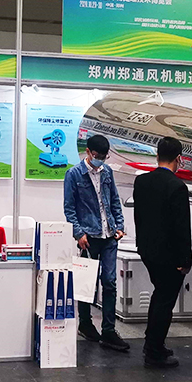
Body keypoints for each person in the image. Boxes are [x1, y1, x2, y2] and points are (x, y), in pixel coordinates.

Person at [63, 134, 130, 352]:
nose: (101, 159)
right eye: (98, 155)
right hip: (88, 237)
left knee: (109, 282)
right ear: (88, 152)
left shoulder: (107, 172)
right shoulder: (74, 174)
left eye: (104, 156)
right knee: (87, 283)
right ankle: (85, 324)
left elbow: (114, 201)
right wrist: (78, 233)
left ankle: (109, 330)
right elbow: (69, 208)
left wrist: (119, 225)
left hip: (109, 235)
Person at [133, 137, 192, 368]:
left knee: (159, 296)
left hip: (147, 250)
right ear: (179, 158)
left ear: (157, 155)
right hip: (169, 255)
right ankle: (154, 351)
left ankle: (153, 343)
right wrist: (185, 259)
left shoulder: (142, 181)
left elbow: (139, 217)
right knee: (164, 302)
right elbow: (181, 227)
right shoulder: (177, 186)